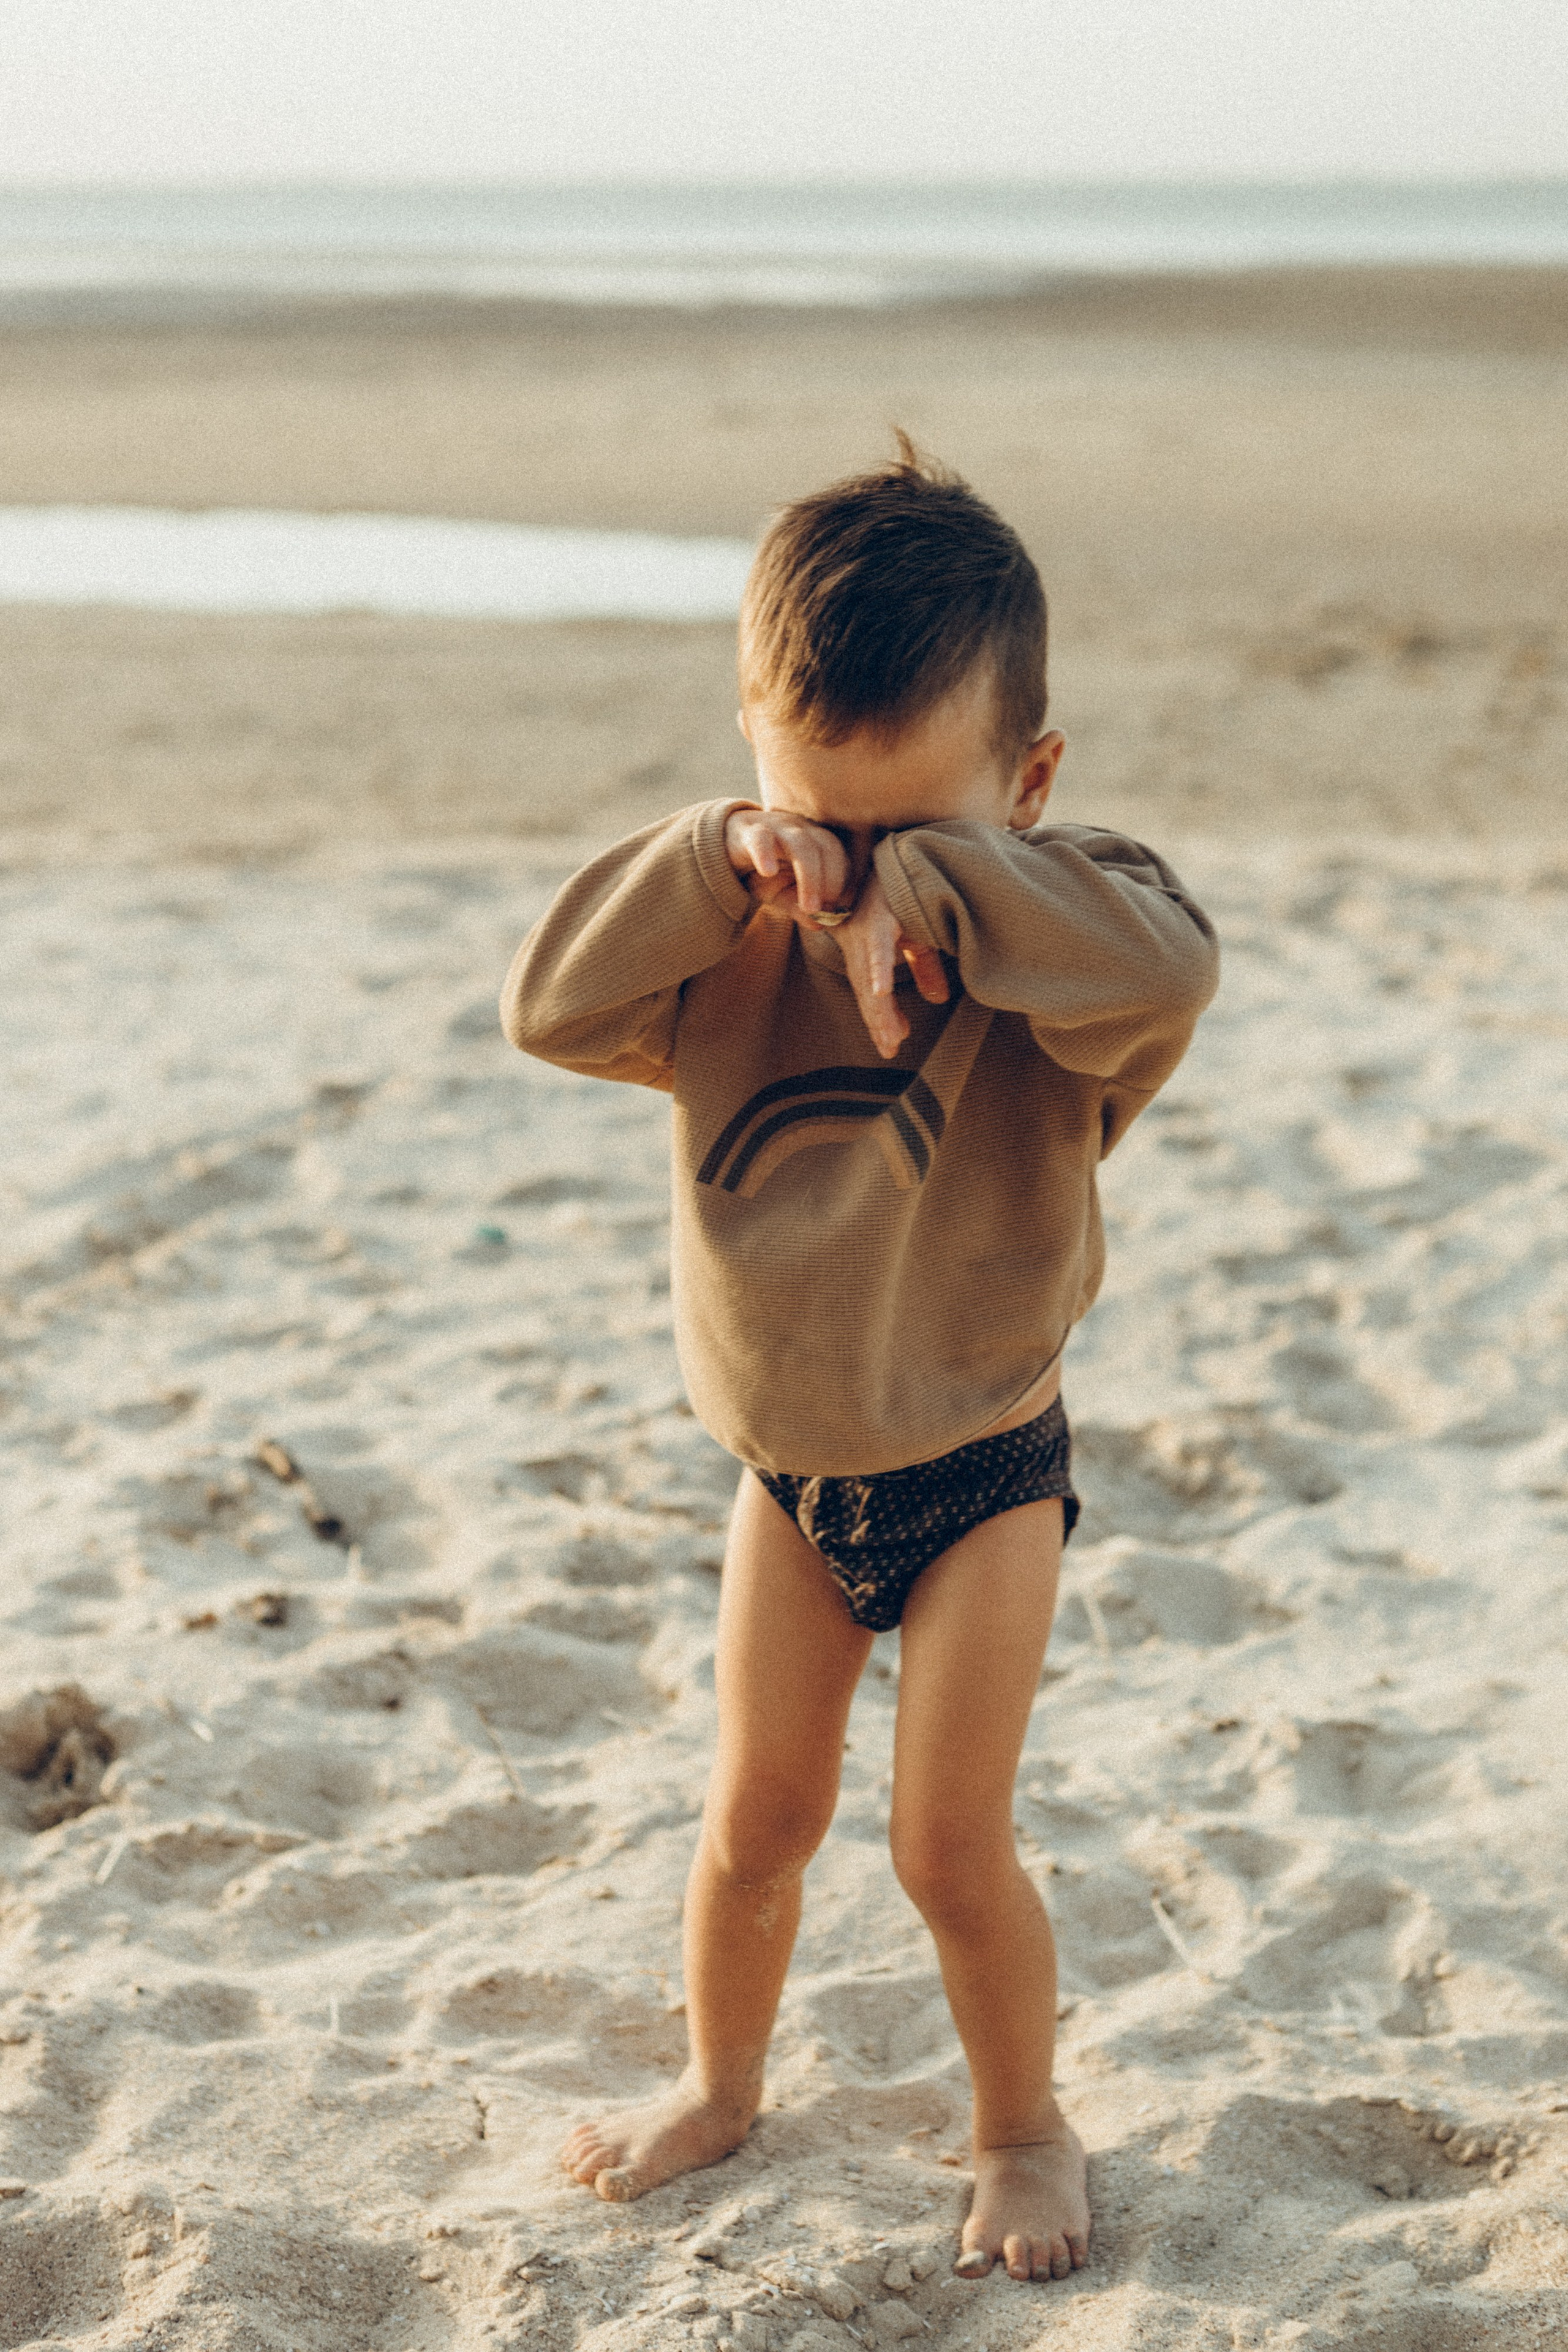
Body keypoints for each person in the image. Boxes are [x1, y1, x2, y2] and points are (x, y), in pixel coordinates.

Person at [500, 439, 1219, 2286]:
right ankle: (720, 2082)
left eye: (916, 828)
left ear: (1028, 784)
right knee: (755, 1824)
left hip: (984, 1464)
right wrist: (726, 862)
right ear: (755, 757)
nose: (853, 877)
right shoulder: (725, 946)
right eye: (815, 816)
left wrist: (957, 898)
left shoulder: (1068, 937)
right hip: (792, 1474)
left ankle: (1023, 2128)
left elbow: (1170, 971)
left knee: (944, 1850)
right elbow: (547, 1002)